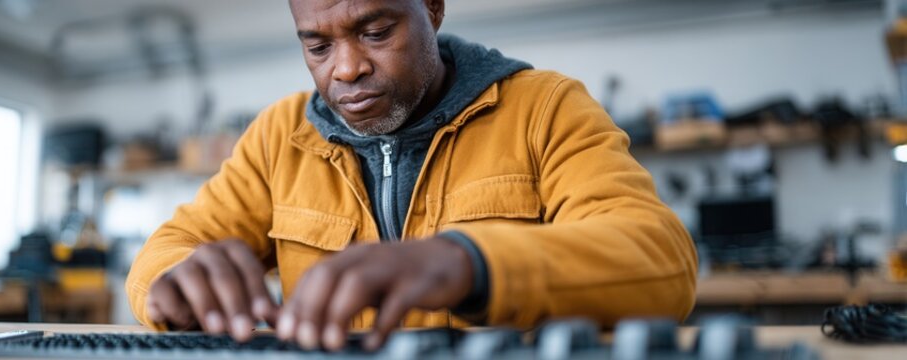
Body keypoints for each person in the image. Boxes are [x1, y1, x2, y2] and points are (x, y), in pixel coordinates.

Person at [126, 0, 697, 352]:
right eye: (318, 46)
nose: (347, 68)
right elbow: (167, 249)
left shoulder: (544, 108)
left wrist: (465, 262)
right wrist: (174, 284)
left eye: (375, 32)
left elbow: (662, 260)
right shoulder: (279, 137)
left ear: (433, 6)